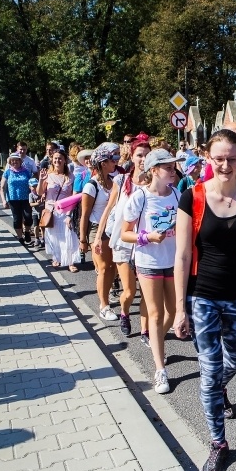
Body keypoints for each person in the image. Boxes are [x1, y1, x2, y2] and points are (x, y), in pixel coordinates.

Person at [173, 129, 236, 471]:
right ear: (207, 158)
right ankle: (218, 443)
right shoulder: (191, 197)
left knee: (233, 358)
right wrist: (180, 308)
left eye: (232, 158)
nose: (226, 164)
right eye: (219, 158)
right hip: (204, 295)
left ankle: (217, 386)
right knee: (210, 372)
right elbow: (182, 255)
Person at [122, 149, 182, 394]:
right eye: (168, 167)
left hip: (174, 261)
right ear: (154, 170)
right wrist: (148, 237)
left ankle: (155, 340)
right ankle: (160, 370)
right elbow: (126, 234)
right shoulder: (140, 198)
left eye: (173, 166)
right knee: (155, 315)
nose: (173, 170)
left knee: (174, 312)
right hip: (149, 262)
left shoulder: (178, 194)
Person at [95, 139, 150, 341]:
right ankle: (125, 313)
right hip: (123, 242)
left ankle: (145, 331)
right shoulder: (122, 181)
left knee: (146, 291)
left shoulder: (154, 183)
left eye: (146, 155)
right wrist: (98, 238)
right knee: (129, 290)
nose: (143, 160)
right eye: (140, 155)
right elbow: (108, 210)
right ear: (132, 157)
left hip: (145, 243)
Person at [80, 143, 119, 321]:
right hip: (97, 230)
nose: (117, 161)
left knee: (112, 267)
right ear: (103, 162)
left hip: (113, 229)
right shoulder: (91, 186)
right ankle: (103, 305)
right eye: (114, 157)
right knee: (103, 268)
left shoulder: (114, 181)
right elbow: (85, 215)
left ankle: (107, 296)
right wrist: (83, 240)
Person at [38, 149, 79, 272]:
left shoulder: (71, 176)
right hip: (51, 211)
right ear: (52, 160)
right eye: (55, 158)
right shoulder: (48, 176)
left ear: (65, 160)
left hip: (65, 211)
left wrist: (69, 214)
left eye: (60, 158)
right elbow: (40, 192)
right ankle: (57, 258)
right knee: (54, 236)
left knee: (69, 236)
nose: (57, 160)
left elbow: (74, 197)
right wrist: (41, 180)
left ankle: (71, 262)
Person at [0, 152, 33, 245]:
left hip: (26, 198)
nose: (14, 162)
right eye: (12, 161)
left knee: (28, 217)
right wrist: (3, 200)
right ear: (10, 162)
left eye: (16, 160)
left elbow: (31, 184)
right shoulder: (7, 172)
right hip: (13, 199)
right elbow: (2, 187)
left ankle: (27, 232)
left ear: (20, 161)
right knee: (17, 219)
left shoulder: (26, 171)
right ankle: (20, 237)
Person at [28, 178, 43, 248]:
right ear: (29, 187)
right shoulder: (31, 195)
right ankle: (37, 238)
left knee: (43, 226)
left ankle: (43, 238)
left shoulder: (41, 193)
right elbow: (31, 204)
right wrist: (37, 203)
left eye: (36, 186)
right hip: (35, 213)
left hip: (42, 212)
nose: (35, 188)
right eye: (33, 186)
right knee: (36, 226)